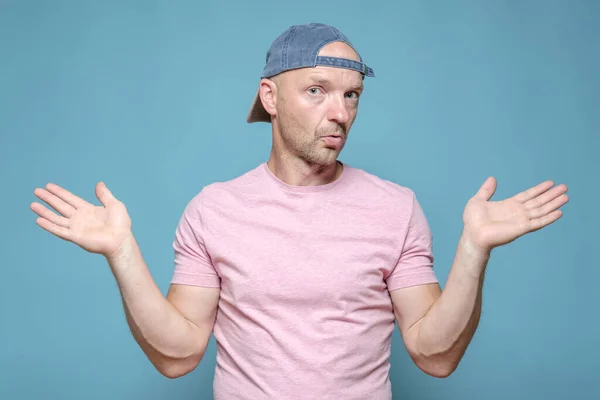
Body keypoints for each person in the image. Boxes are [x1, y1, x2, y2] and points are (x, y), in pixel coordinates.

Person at [30, 23, 569, 400]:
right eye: (317, 91)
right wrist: (122, 253)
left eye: (352, 95)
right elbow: (178, 356)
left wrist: (474, 251)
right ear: (270, 96)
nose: (340, 113)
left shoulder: (395, 208)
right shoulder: (214, 210)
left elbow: (435, 355)